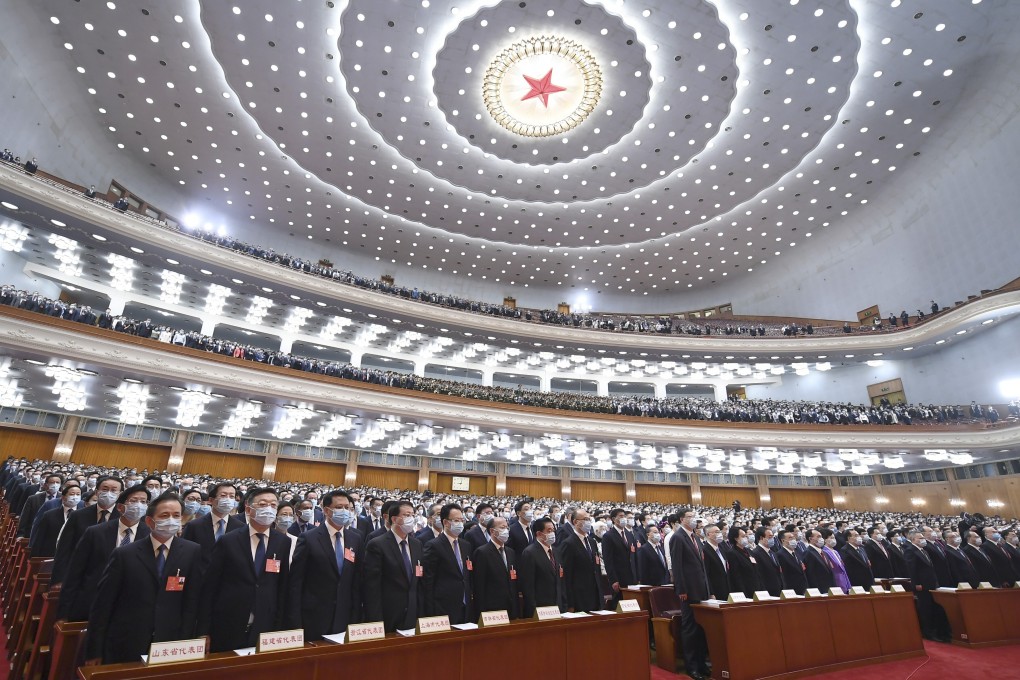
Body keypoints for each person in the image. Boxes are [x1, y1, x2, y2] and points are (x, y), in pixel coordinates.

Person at [85, 492, 203, 665]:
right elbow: (102, 605)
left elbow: (191, 602)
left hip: (168, 642)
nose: (171, 520)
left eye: (176, 516)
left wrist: (184, 640)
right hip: (126, 641)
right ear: (149, 521)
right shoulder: (124, 554)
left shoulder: (192, 551)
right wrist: (94, 650)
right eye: (164, 515)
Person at [198, 488, 291, 652]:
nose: (268, 509)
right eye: (263, 504)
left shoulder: (282, 542)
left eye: (273, 505)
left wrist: (279, 626)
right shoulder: (228, 540)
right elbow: (209, 587)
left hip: (264, 624)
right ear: (249, 509)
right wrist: (203, 631)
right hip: (228, 622)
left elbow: (282, 587)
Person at [58, 484, 151, 622]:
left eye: (143, 502)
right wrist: (64, 612)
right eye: (133, 501)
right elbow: (75, 572)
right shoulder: (95, 532)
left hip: (128, 608)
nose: (139, 505)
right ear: (120, 507)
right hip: (91, 602)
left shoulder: (150, 536)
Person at [285, 490, 363, 639]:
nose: (345, 511)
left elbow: (356, 579)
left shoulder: (355, 539)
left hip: (344, 615)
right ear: (327, 510)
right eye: (340, 507)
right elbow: (296, 582)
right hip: (313, 616)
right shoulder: (308, 538)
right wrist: (295, 622)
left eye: (348, 508)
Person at [363, 500, 424, 632]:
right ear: (395, 519)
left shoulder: (417, 544)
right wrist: (375, 620)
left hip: (412, 612)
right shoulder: (377, 544)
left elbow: (418, 578)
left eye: (413, 515)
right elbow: (372, 586)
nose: (411, 519)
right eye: (407, 515)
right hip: (388, 613)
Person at [52, 475, 124, 584]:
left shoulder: (123, 518)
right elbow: (64, 549)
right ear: (96, 492)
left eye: (114, 490)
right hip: (78, 575)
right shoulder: (78, 516)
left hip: (108, 578)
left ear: (120, 494)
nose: (109, 493)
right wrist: (59, 580)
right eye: (105, 489)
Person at [670, 507, 711, 680]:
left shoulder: (696, 538)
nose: (693, 519)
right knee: (690, 629)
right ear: (681, 520)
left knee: (701, 628)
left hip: (701, 590)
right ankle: (692, 666)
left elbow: (701, 567)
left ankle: (702, 664)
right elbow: (677, 567)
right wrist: (682, 590)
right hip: (688, 591)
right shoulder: (678, 538)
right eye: (689, 517)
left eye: (694, 516)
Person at [422, 503, 472, 624]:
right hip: (442, 606)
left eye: (462, 520)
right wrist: (430, 610)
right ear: (445, 522)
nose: (460, 524)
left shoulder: (466, 545)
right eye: (456, 520)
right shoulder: (433, 545)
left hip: (465, 604)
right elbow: (428, 581)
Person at [903, 529, 950, 642]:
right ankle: (928, 632)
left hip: (931, 583)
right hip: (922, 585)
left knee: (933, 607)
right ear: (913, 540)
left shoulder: (924, 550)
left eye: (923, 538)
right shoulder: (910, 550)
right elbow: (912, 569)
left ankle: (936, 631)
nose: (923, 540)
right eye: (920, 538)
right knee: (925, 609)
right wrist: (917, 583)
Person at [181, 481, 245, 562]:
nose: (228, 499)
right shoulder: (194, 525)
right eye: (223, 495)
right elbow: (185, 553)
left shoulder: (241, 527)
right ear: (211, 500)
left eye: (231, 496)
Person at [471, 514, 520, 619]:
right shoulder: (482, 552)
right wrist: (481, 613)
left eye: (507, 527)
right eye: (502, 528)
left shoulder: (510, 552)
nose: (506, 530)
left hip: (511, 606)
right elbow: (479, 585)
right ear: (492, 531)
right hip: (492, 608)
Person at [556, 508, 602, 613]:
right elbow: (567, 576)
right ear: (576, 522)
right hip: (579, 597)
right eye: (585, 519)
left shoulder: (592, 542)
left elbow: (596, 567)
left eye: (589, 519)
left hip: (595, 595)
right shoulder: (568, 543)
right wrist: (570, 603)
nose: (588, 522)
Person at [520, 516, 565, 615]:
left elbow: (560, 580)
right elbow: (528, 586)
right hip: (540, 608)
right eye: (549, 531)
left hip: (557, 607)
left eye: (553, 530)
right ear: (539, 534)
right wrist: (533, 610)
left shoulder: (556, 551)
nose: (552, 533)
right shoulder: (529, 553)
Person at [30, 484, 82, 558]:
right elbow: (39, 538)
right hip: (51, 555)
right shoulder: (49, 515)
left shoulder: (85, 514)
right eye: (72, 494)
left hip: (75, 557)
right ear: (63, 497)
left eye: (78, 494)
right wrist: (35, 558)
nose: (75, 497)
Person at [602, 508, 638, 604]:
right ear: (614, 519)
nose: (624, 519)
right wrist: (613, 580)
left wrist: (637, 577)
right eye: (621, 516)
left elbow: (634, 556)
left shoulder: (629, 535)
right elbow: (608, 560)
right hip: (619, 578)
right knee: (620, 606)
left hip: (632, 578)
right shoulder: (608, 536)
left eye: (624, 516)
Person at [724, 526, 761, 598]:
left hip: (756, 588)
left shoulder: (749, 551)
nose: (746, 538)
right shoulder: (732, 553)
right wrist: (743, 594)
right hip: (745, 591)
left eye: (746, 536)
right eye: (743, 536)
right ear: (736, 538)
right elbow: (736, 576)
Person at [750, 527, 783, 596]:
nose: (772, 539)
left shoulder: (773, 553)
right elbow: (758, 574)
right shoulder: (755, 553)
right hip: (766, 591)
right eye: (770, 537)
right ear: (762, 538)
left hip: (778, 589)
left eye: (773, 537)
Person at [775, 529, 808, 595]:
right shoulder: (780, 554)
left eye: (793, 537)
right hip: (791, 589)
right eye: (790, 538)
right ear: (783, 540)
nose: (793, 539)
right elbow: (784, 574)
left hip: (803, 587)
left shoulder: (797, 552)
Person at [702, 523, 730, 600]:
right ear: (708, 535)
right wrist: (711, 593)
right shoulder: (705, 550)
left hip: (727, 587)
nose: (719, 534)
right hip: (716, 589)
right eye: (716, 532)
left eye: (719, 531)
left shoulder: (721, 548)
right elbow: (706, 574)